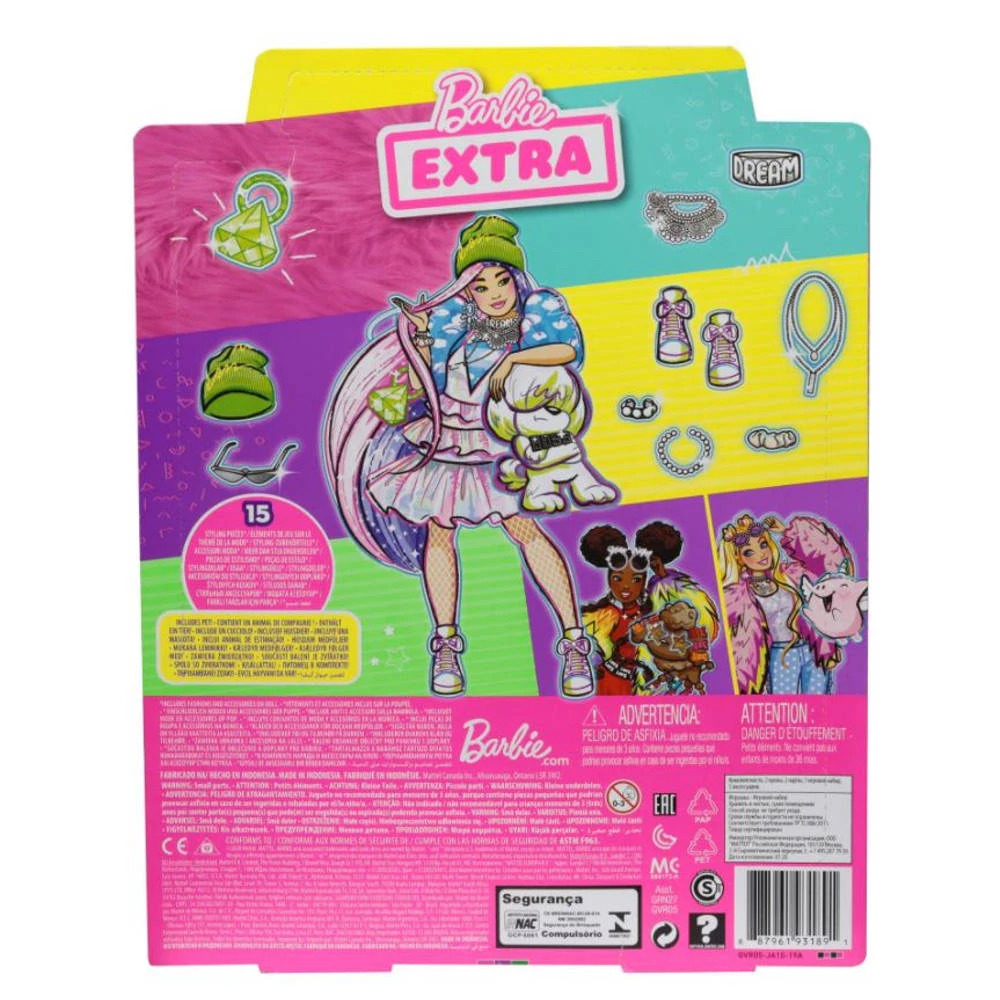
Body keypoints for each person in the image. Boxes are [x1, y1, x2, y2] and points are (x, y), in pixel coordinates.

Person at [326, 216, 597, 698]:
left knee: (525, 529)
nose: (494, 293)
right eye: (480, 285)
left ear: (516, 277)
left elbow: (566, 350)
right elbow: (429, 384)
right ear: (466, 290)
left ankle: (574, 642)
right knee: (439, 532)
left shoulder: (537, 313)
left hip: (497, 442)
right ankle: (446, 645)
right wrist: (419, 340)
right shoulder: (455, 324)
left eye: (501, 280)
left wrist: (515, 359)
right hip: (447, 441)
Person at [718, 513, 854, 694]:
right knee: (784, 706)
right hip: (780, 656)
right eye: (749, 552)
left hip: (812, 649)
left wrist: (786, 531)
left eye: (763, 544)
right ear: (738, 559)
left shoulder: (792, 573)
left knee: (818, 705)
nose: (761, 553)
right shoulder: (736, 596)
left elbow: (832, 564)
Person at [579, 525, 653, 696]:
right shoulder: (604, 616)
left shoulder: (650, 613)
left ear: (643, 582)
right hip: (608, 683)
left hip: (640, 685)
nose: (626, 586)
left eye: (635, 579)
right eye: (618, 578)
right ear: (609, 580)